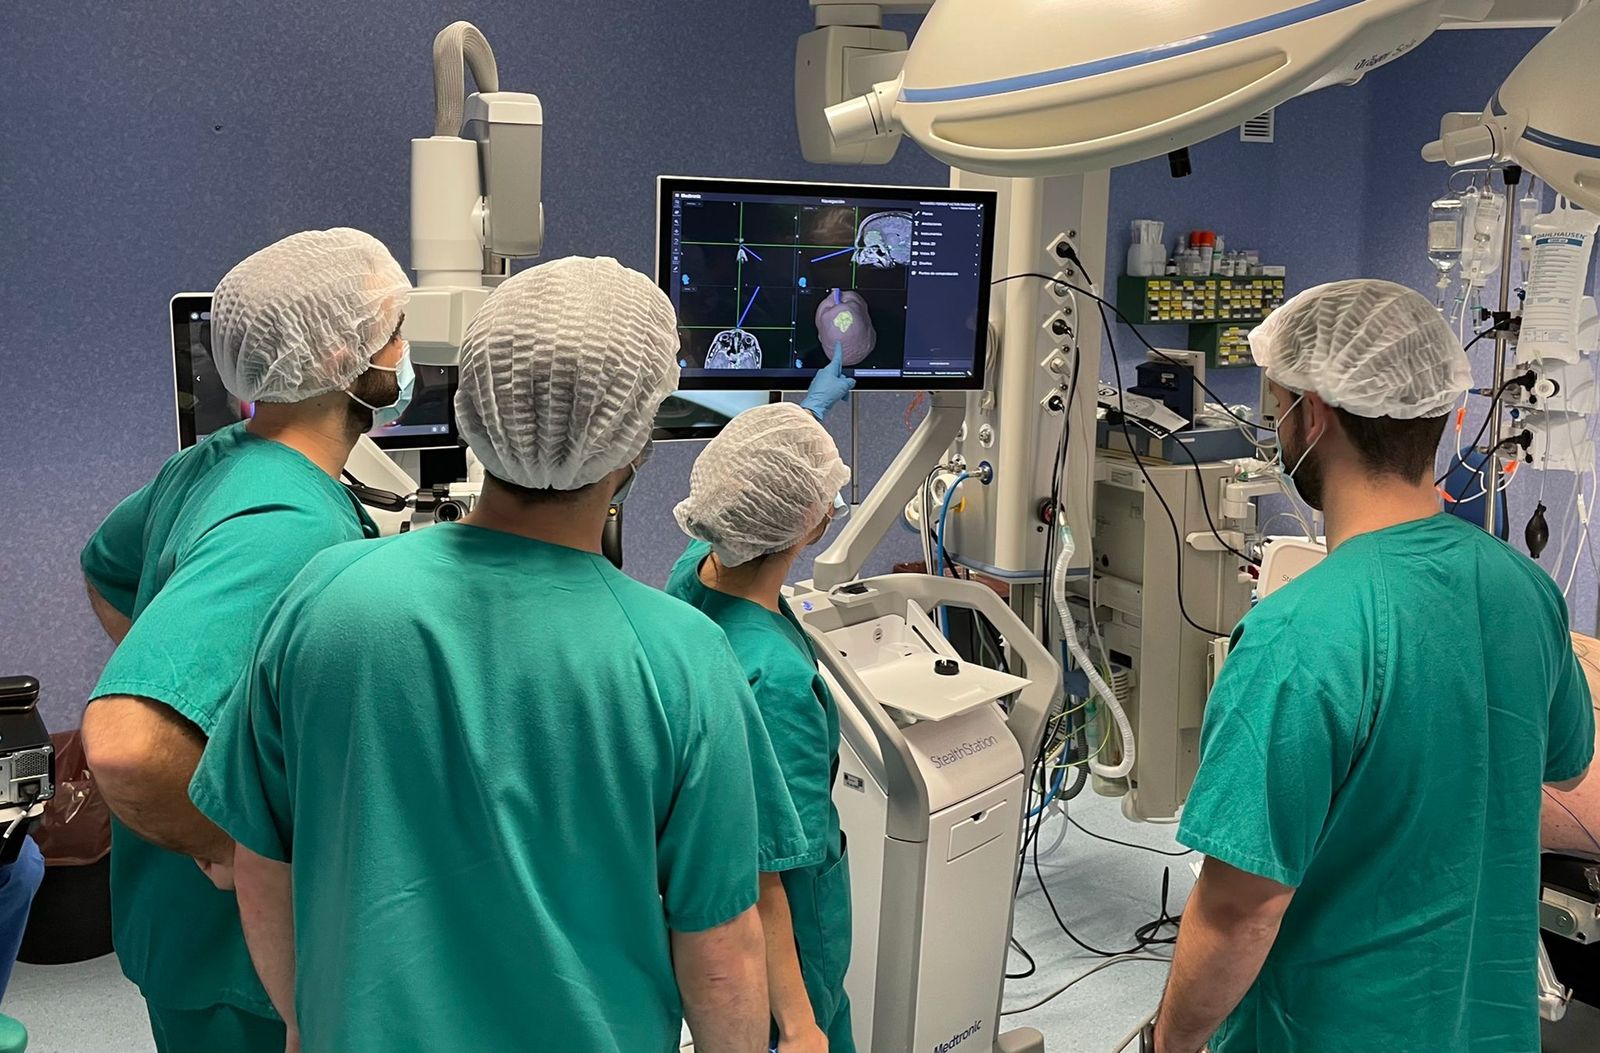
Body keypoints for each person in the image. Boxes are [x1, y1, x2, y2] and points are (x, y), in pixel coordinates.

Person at [191, 256, 799, 1053]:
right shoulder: (684, 660)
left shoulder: (324, 597)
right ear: (634, 442)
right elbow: (720, 952)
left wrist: (307, 1023)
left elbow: (261, 863)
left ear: (475, 403)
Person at [1154, 279, 1595, 1053]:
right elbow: (1559, 762)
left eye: (1275, 404)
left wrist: (1169, 1043)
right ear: (1442, 413)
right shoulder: (1527, 590)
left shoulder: (1299, 632)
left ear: (1312, 413)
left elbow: (1240, 910)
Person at [79, 228, 410, 1053]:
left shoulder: (215, 461)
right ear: (343, 356)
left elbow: (107, 565)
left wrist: (208, 687)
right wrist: (225, 840)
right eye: (396, 330)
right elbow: (125, 744)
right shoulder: (286, 525)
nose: (408, 354)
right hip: (244, 957)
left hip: (182, 930)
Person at [670, 402, 855, 1053]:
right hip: (790, 934)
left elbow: (754, 483)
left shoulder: (694, 571)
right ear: (819, 522)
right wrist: (802, 1024)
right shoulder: (775, 678)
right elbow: (767, 872)